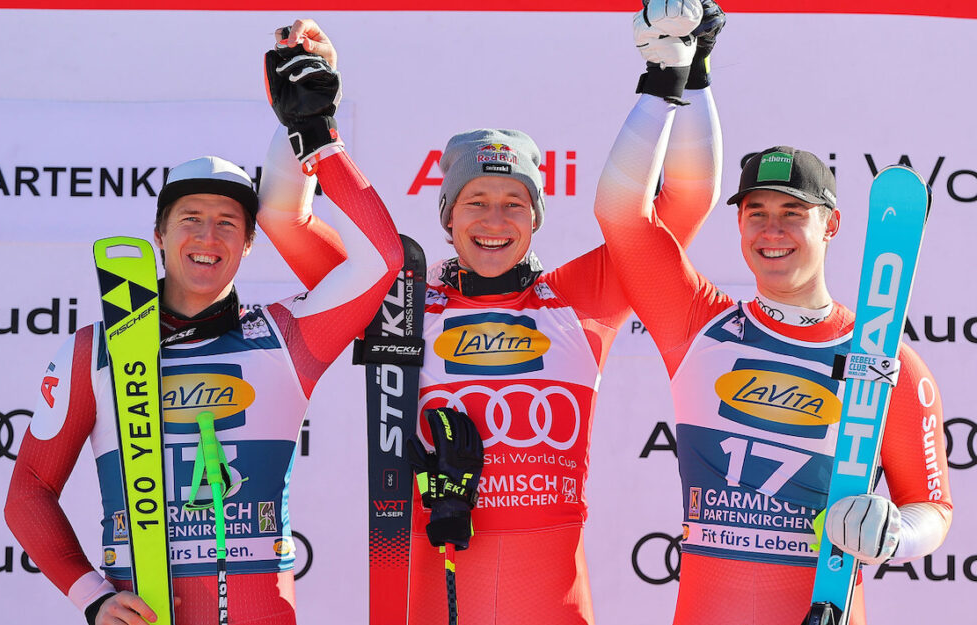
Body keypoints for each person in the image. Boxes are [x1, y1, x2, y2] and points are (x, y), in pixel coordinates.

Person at [278, 7, 721, 622]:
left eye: (515, 202)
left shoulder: (580, 297)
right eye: (475, 202)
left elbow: (686, 200)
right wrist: (305, 111)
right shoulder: (399, 298)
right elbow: (285, 218)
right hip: (432, 597)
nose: (494, 220)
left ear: (536, 217)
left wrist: (689, 72)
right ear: (448, 218)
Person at [4, 23, 403, 625]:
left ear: (248, 245)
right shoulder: (95, 351)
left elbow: (385, 259)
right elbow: (28, 490)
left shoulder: (287, 336)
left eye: (228, 224)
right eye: (190, 218)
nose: (207, 237)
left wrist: (315, 136)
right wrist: (93, 598)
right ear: (159, 235)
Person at [593, 2, 953, 623]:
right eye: (756, 212)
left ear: (832, 224)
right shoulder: (698, 323)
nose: (772, 230)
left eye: (793, 213)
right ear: (738, 223)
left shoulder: (885, 356)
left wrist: (895, 532)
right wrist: (670, 76)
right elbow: (623, 214)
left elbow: (933, 508)